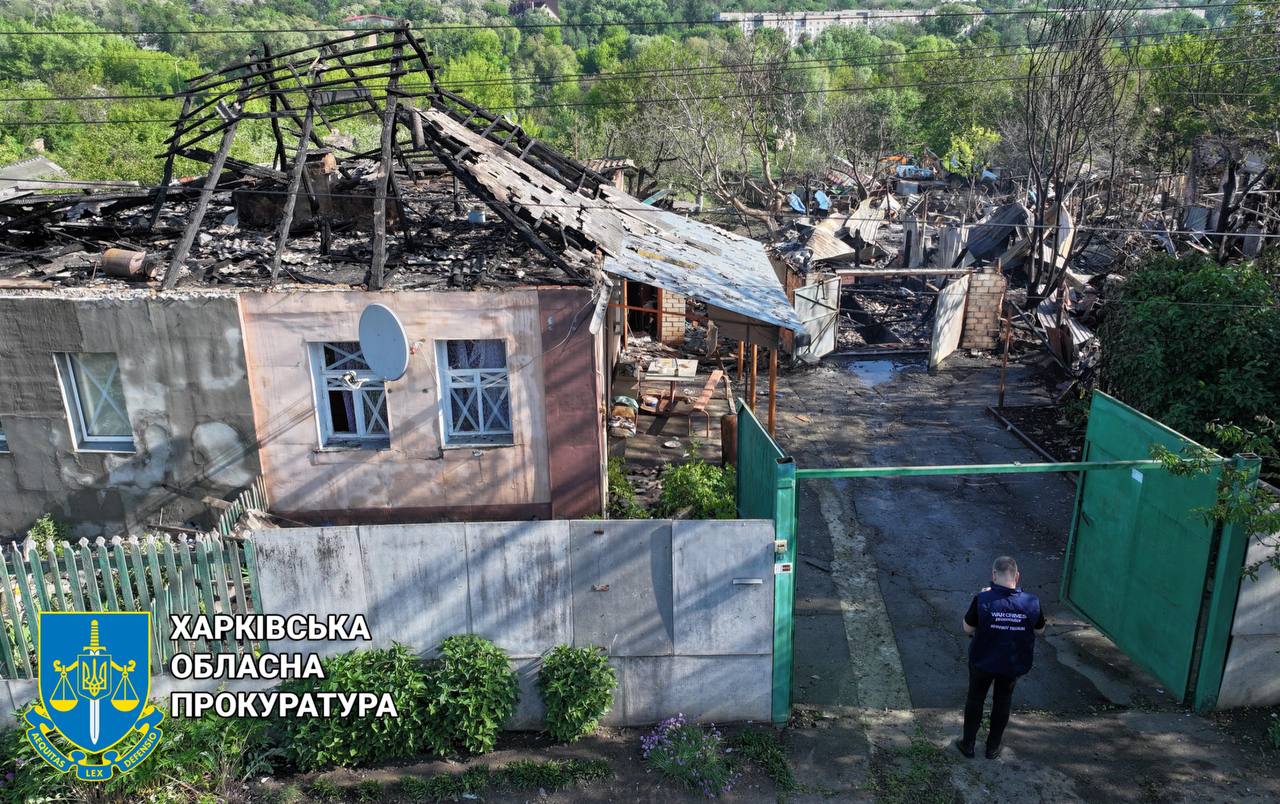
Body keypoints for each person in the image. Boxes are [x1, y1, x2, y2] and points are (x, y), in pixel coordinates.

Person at [956, 555, 1045, 760]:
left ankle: (968, 744)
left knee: (975, 699)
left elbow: (967, 627)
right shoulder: (1031, 602)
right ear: (1017, 576)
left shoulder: (983, 599)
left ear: (993, 575)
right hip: (1012, 664)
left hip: (982, 661)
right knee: (1003, 701)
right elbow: (1040, 630)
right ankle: (992, 747)